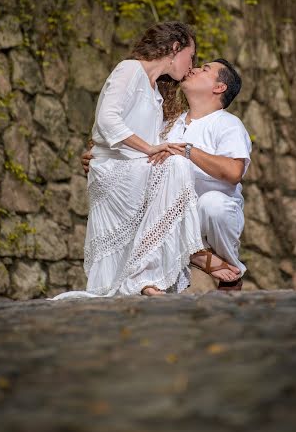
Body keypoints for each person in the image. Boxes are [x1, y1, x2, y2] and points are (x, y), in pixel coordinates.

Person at [53, 21, 208, 300]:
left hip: (132, 168)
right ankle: (148, 277)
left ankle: (145, 276)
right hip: (114, 171)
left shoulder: (154, 91)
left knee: (175, 164)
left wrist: (156, 149)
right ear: (175, 48)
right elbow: (107, 120)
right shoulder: (130, 69)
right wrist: (150, 149)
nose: (192, 63)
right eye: (191, 55)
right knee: (177, 165)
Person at [82, 58, 251, 291]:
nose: (193, 69)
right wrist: (101, 160)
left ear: (219, 87)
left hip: (207, 218)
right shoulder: (168, 124)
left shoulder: (227, 124)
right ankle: (185, 255)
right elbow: (139, 157)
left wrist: (189, 152)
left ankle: (227, 269)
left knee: (213, 205)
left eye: (204, 69)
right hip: (167, 213)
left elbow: (233, 172)